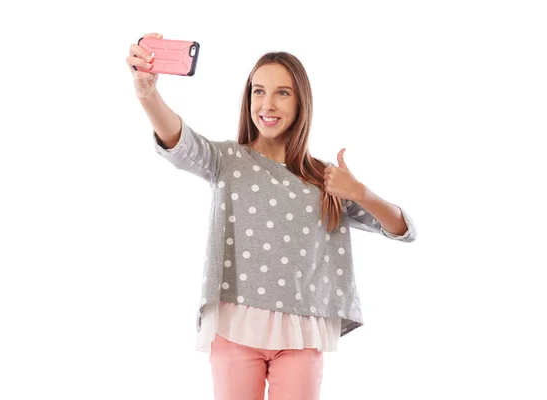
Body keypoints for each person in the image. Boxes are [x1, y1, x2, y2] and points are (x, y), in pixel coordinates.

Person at [127, 32, 417, 400]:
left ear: (300, 103)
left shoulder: (323, 178)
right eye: (258, 91)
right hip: (236, 326)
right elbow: (180, 142)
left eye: (283, 92)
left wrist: (358, 192)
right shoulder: (228, 161)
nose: (268, 103)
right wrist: (147, 92)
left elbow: (403, 229)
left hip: (300, 331)